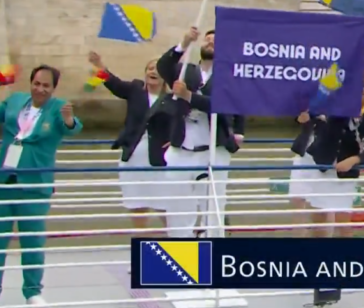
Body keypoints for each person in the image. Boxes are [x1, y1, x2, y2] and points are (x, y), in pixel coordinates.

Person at [0, 65, 83, 306]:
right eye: (36, 84)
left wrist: (69, 121)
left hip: (34, 184)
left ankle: (32, 291)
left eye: (46, 86)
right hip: (2, 182)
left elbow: (72, 127)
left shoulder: (57, 107)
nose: (40, 89)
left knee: (32, 241)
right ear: (30, 83)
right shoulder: (15, 100)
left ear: (53, 88)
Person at [155, 26, 246, 238]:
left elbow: (222, 105)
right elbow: (163, 66)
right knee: (178, 205)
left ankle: (212, 246)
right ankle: (180, 246)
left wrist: (189, 96)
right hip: (182, 149)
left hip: (213, 149)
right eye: (207, 39)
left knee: (213, 205)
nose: (210, 42)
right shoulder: (186, 71)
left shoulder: (230, 77)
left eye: (216, 40)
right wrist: (184, 43)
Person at [289, 70, 364, 237]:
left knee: (344, 220)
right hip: (323, 163)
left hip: (346, 170)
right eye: (359, 85)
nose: (361, 89)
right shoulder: (341, 102)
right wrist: (305, 116)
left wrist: (354, 160)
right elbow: (316, 108)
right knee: (319, 216)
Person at [89, 52, 173, 233]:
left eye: (158, 69)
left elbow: (184, 121)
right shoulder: (136, 89)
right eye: (150, 68)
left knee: (164, 202)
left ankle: (174, 236)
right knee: (136, 201)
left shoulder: (172, 98)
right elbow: (114, 84)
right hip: (133, 156)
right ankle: (141, 237)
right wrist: (99, 66)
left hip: (160, 159)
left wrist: (175, 140)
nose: (153, 71)